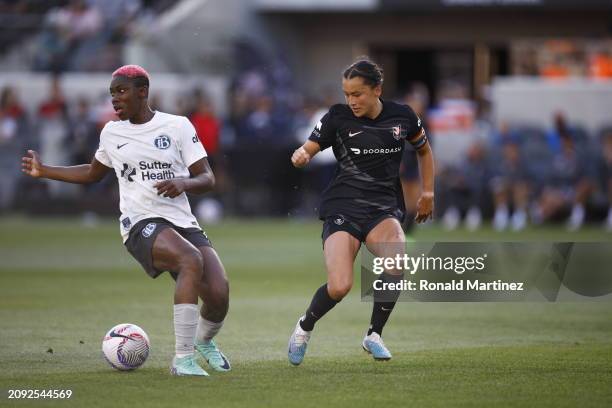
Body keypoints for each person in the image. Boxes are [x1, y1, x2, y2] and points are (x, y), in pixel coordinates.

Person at [21, 65, 230, 377]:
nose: (115, 100)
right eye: (112, 94)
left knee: (219, 295)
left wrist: (184, 183)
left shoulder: (177, 126)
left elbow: (207, 177)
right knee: (189, 259)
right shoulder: (111, 131)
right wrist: (45, 170)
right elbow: (93, 173)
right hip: (139, 222)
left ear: (142, 91)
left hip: (181, 219)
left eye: (121, 92)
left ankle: (203, 341)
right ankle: (182, 361)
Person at [287, 58, 435, 365]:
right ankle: (305, 326)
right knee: (340, 285)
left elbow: (424, 150)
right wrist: (302, 154)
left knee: (397, 260)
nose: (351, 100)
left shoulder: (403, 116)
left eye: (358, 93)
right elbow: (311, 146)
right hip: (343, 206)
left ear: (377, 90)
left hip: (382, 209)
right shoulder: (338, 118)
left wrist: (428, 192)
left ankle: (373, 335)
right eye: (347, 93)